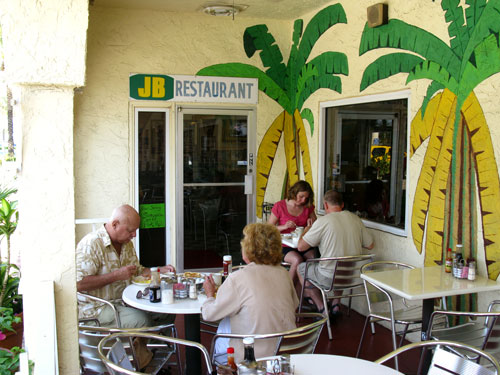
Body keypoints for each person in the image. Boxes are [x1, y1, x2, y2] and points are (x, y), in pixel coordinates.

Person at [201, 223, 299, 363]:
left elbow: (209, 314)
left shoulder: (238, 278)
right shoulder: (284, 273)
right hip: (285, 354)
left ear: (248, 249)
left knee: (223, 327)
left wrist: (209, 295)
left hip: (252, 359)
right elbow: (293, 305)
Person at [76, 204, 175, 328]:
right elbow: (78, 284)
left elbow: (136, 271)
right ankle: (141, 344)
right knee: (141, 320)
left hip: (125, 301)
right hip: (97, 309)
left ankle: (150, 345)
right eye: (130, 230)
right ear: (114, 224)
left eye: (136, 230)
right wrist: (115, 276)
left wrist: (159, 270)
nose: (134, 235)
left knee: (166, 311)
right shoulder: (91, 244)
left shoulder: (125, 243)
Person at [297, 190, 374, 316]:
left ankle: (322, 308)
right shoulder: (355, 219)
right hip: (353, 277)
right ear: (342, 204)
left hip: (329, 278)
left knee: (301, 268)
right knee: (343, 266)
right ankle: (335, 305)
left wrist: (306, 230)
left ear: (326, 205)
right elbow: (370, 245)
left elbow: (301, 246)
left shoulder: (323, 221)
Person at [268, 180, 317, 290]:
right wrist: (284, 227)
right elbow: (268, 228)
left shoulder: (308, 206)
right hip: (284, 245)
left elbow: (315, 224)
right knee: (297, 260)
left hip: (302, 243)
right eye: (301, 196)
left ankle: (306, 292)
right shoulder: (280, 206)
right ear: (294, 193)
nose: (303, 200)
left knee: (314, 258)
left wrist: (311, 224)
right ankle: (287, 292)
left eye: (306, 198)